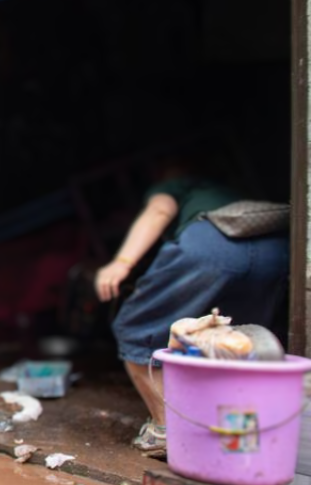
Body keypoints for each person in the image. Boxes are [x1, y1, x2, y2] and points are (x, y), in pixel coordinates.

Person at [95, 161, 288, 457]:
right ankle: (235, 436)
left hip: (212, 246)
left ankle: (165, 431)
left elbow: (158, 211)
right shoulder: (236, 191)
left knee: (135, 329)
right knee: (240, 342)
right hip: (277, 253)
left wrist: (121, 263)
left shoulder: (179, 184)